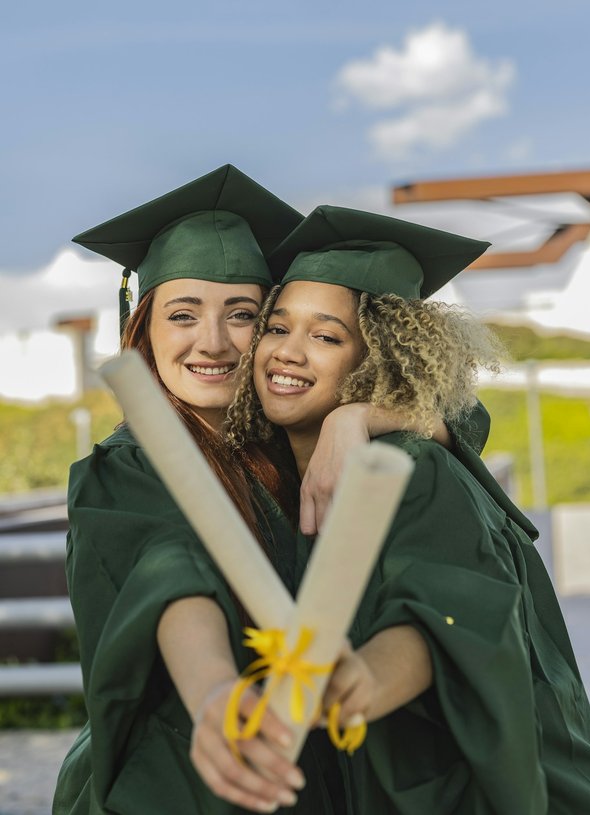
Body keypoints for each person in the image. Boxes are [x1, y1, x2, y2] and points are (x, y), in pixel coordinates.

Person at [53, 167, 480, 815]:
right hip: (182, 778)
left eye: (245, 315)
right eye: (183, 314)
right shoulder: (124, 466)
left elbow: (462, 416)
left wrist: (357, 416)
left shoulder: (300, 437)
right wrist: (216, 690)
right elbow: (169, 576)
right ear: (144, 327)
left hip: (325, 772)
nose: (213, 342)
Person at [226, 205, 590, 814]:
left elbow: (446, 608)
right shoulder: (273, 475)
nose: (288, 353)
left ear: (377, 361)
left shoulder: (410, 468)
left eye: (326, 336)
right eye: (276, 327)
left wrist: (361, 681)